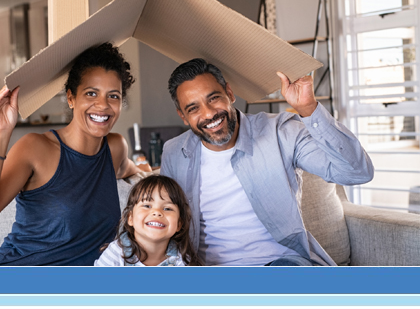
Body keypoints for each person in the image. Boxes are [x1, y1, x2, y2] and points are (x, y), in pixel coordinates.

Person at [160, 58, 374, 266]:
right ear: (183, 116)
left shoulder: (280, 132)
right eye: (193, 108)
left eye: (214, 98)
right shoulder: (174, 152)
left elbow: (357, 173)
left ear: (230, 93)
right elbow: (167, 224)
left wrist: (309, 108)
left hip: (281, 266)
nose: (208, 113)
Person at [0, 43, 143, 266]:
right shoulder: (35, 147)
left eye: (113, 96)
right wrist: (1, 132)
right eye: (91, 93)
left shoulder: (115, 147)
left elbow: (128, 169)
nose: (103, 105)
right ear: (71, 98)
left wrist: (147, 172)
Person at [95, 175, 201, 266]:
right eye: (146, 205)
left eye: (167, 208)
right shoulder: (116, 253)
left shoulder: (181, 260)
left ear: (179, 224)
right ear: (130, 218)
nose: (157, 212)